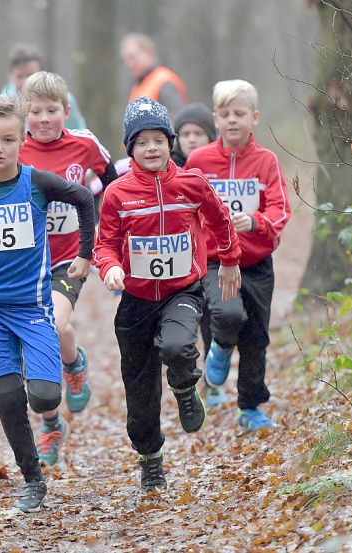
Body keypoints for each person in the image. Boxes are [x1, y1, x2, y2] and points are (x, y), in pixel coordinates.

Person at [0, 96, 95, 512]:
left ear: (21, 141)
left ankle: (64, 383)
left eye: (8, 139)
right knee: (8, 397)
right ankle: (32, 479)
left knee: (44, 397)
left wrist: (85, 253)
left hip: (34, 307)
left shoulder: (37, 183)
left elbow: (84, 199)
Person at [94, 96, 241, 492]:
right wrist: (109, 268)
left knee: (178, 347)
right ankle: (151, 459)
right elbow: (104, 243)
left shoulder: (191, 184)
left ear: (170, 142)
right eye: (142, 142)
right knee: (139, 392)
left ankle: (184, 386)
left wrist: (229, 260)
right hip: (136, 300)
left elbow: (220, 219)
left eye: (159, 139)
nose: (152, 148)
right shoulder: (117, 194)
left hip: (182, 289)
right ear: (131, 149)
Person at [17, 71, 117, 466]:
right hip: (24, 263)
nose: (43, 118)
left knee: (54, 326)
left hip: (68, 257)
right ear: (24, 113)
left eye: (52, 110)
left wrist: (104, 235)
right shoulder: (14, 150)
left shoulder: (85, 143)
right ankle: (51, 421)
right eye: (36, 111)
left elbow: (113, 183)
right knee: (36, 344)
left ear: (66, 111)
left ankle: (73, 366)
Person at [184, 80, 291, 431]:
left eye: (240, 114)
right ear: (215, 118)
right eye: (225, 114)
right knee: (227, 313)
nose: (232, 120)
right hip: (215, 259)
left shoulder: (266, 161)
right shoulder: (200, 161)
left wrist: (256, 220)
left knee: (257, 337)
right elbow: (184, 206)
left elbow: (280, 208)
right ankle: (219, 347)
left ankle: (250, 406)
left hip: (257, 263)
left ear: (254, 117)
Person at [1, 44, 87, 130]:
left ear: (42, 73)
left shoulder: (61, 99)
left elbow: (79, 131)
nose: (25, 82)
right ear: (10, 77)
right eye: (19, 77)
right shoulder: (2, 105)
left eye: (31, 75)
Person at [120, 33, 187, 115]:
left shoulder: (164, 81)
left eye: (133, 57)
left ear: (148, 53)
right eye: (126, 60)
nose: (129, 64)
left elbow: (175, 120)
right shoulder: (139, 86)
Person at [169, 102, 217, 168]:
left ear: (211, 137)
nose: (192, 139)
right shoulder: (166, 168)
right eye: (185, 134)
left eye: (198, 134)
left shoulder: (222, 165)